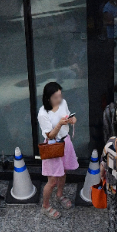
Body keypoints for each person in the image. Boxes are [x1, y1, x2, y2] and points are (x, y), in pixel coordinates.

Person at [37, 81, 79, 219]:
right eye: (55, 97)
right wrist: (60, 124)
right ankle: (45, 205)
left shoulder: (63, 103)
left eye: (60, 96)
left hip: (65, 141)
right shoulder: (43, 113)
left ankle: (59, 194)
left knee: (63, 171)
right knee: (52, 180)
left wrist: (72, 120)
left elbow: (69, 116)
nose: (59, 99)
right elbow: (49, 135)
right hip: (53, 146)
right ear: (48, 98)